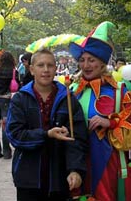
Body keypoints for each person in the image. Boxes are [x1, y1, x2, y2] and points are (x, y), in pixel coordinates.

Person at [69, 21, 131, 200]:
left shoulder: (119, 92)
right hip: (77, 161)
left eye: (91, 60)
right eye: (82, 60)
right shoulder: (73, 90)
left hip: (107, 161)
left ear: (102, 63)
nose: (86, 65)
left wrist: (110, 122)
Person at [5, 49, 88, 200]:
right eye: (40, 65)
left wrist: (75, 170)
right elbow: (14, 136)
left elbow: (78, 139)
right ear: (31, 69)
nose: (45, 70)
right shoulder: (20, 99)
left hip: (59, 178)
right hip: (28, 178)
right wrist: (46, 134)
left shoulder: (68, 99)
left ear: (56, 68)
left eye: (50, 65)